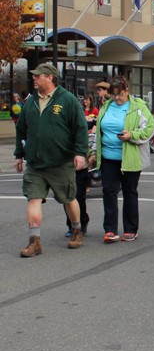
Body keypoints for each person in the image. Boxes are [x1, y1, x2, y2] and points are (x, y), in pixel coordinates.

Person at [14, 63, 89, 257]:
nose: (34, 79)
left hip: (61, 161)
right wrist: (18, 155)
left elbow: (80, 128)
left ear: (50, 77)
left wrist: (80, 153)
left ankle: (77, 229)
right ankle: (34, 241)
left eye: (38, 76)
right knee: (33, 199)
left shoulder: (67, 100)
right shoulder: (30, 102)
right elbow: (21, 129)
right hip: (35, 163)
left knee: (69, 199)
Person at [91, 75, 154, 243]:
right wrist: (93, 153)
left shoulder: (138, 107)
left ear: (127, 91)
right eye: (114, 95)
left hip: (130, 157)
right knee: (109, 192)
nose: (117, 98)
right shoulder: (106, 107)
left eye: (120, 94)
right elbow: (99, 132)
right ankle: (110, 230)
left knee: (129, 192)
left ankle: (131, 229)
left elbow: (150, 128)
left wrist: (131, 135)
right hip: (108, 157)